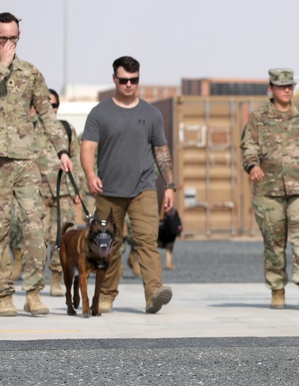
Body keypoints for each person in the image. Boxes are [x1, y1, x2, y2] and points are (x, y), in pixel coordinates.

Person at [81, 55, 174, 314]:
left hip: (142, 189)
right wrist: (90, 174)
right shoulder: (100, 113)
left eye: (134, 80)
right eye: (124, 80)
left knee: (147, 241)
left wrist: (170, 185)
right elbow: (88, 147)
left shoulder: (151, 114)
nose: (129, 85)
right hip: (108, 191)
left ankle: (153, 293)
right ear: (114, 79)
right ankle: (106, 295)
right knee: (107, 245)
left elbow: (162, 152)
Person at [240, 68, 299, 311]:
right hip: (268, 190)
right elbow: (248, 147)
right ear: (270, 89)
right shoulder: (258, 118)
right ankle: (277, 290)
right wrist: (252, 167)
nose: (286, 90)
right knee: (274, 243)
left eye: (290, 86)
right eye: (281, 86)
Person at [0, 12, 75, 316]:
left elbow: (47, 115)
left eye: (12, 39)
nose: (8, 45)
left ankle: (33, 292)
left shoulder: (30, 73)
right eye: (2, 39)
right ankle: (4, 295)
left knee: (34, 228)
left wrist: (62, 150)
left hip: (26, 160)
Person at [39, 89, 84, 296]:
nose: (51, 109)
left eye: (54, 105)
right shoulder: (29, 129)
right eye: (47, 105)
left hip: (63, 191)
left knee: (61, 238)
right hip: (36, 193)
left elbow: (76, 159)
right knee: (36, 238)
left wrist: (78, 187)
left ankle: (57, 280)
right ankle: (35, 283)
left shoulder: (66, 129)